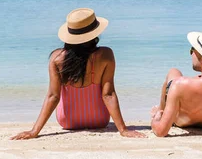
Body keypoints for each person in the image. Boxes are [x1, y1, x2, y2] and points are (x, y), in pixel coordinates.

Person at [12, 8, 143, 139]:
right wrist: (123, 130)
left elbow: (53, 96)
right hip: (99, 120)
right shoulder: (106, 55)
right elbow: (108, 95)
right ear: (94, 33)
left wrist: (34, 131)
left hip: (68, 121)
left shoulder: (56, 58)